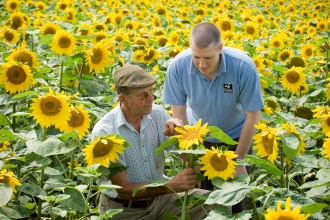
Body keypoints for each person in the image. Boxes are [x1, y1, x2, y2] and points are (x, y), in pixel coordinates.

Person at [162, 22, 264, 213]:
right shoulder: (178, 66)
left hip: (236, 136)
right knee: (201, 200)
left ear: (220, 48)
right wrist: (189, 156)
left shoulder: (242, 66)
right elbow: (179, 113)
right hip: (199, 138)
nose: (201, 64)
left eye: (208, 57)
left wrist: (239, 161)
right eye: (196, 57)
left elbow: (253, 117)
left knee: (234, 199)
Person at [92, 64, 214, 220]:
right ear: (123, 99)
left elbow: (187, 157)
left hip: (161, 200)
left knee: (217, 204)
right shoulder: (106, 132)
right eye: (143, 96)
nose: (151, 98)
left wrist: (181, 138)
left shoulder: (157, 113)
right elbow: (124, 190)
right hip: (124, 209)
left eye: (151, 91)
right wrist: (170, 186)